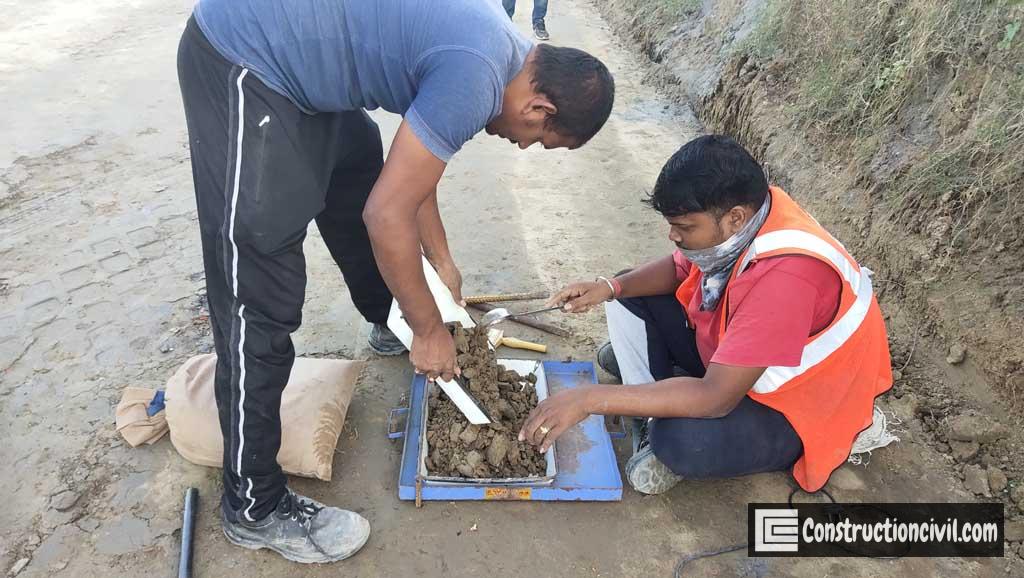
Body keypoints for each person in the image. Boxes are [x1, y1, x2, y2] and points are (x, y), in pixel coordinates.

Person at [176, 0, 614, 564]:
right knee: (258, 285)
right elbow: (387, 217)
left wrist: (441, 256)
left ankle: (393, 323)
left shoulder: (500, 54)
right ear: (540, 106)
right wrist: (432, 330)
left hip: (305, 76)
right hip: (245, 59)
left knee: (359, 165)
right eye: (537, 139)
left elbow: (411, 171)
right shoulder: (476, 76)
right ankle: (254, 505)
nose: (522, 145)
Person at [521, 135, 892, 496]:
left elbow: (716, 398)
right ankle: (651, 399)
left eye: (684, 227)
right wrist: (607, 288)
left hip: (796, 406)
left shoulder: (786, 278)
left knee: (680, 440)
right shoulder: (749, 220)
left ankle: (656, 423)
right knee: (629, 288)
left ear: (734, 218)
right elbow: (679, 268)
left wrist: (589, 399)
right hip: (740, 356)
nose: (673, 236)